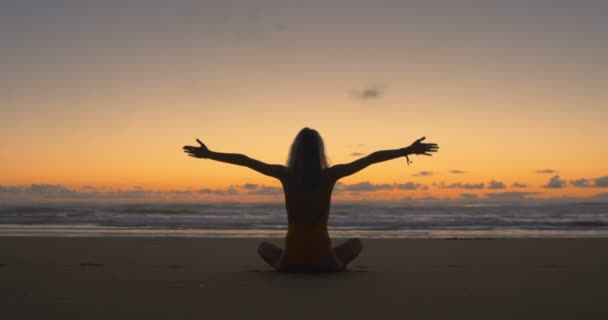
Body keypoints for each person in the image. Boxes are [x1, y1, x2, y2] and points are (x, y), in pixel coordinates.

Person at [183, 128, 438, 272]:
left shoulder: (284, 174)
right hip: (324, 261)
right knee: (356, 244)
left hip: (290, 261)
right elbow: (371, 158)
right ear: (320, 151)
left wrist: (210, 155)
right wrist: (407, 150)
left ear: (294, 151)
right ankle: (329, 264)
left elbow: (246, 160)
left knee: (263, 247)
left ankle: (296, 262)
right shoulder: (331, 174)